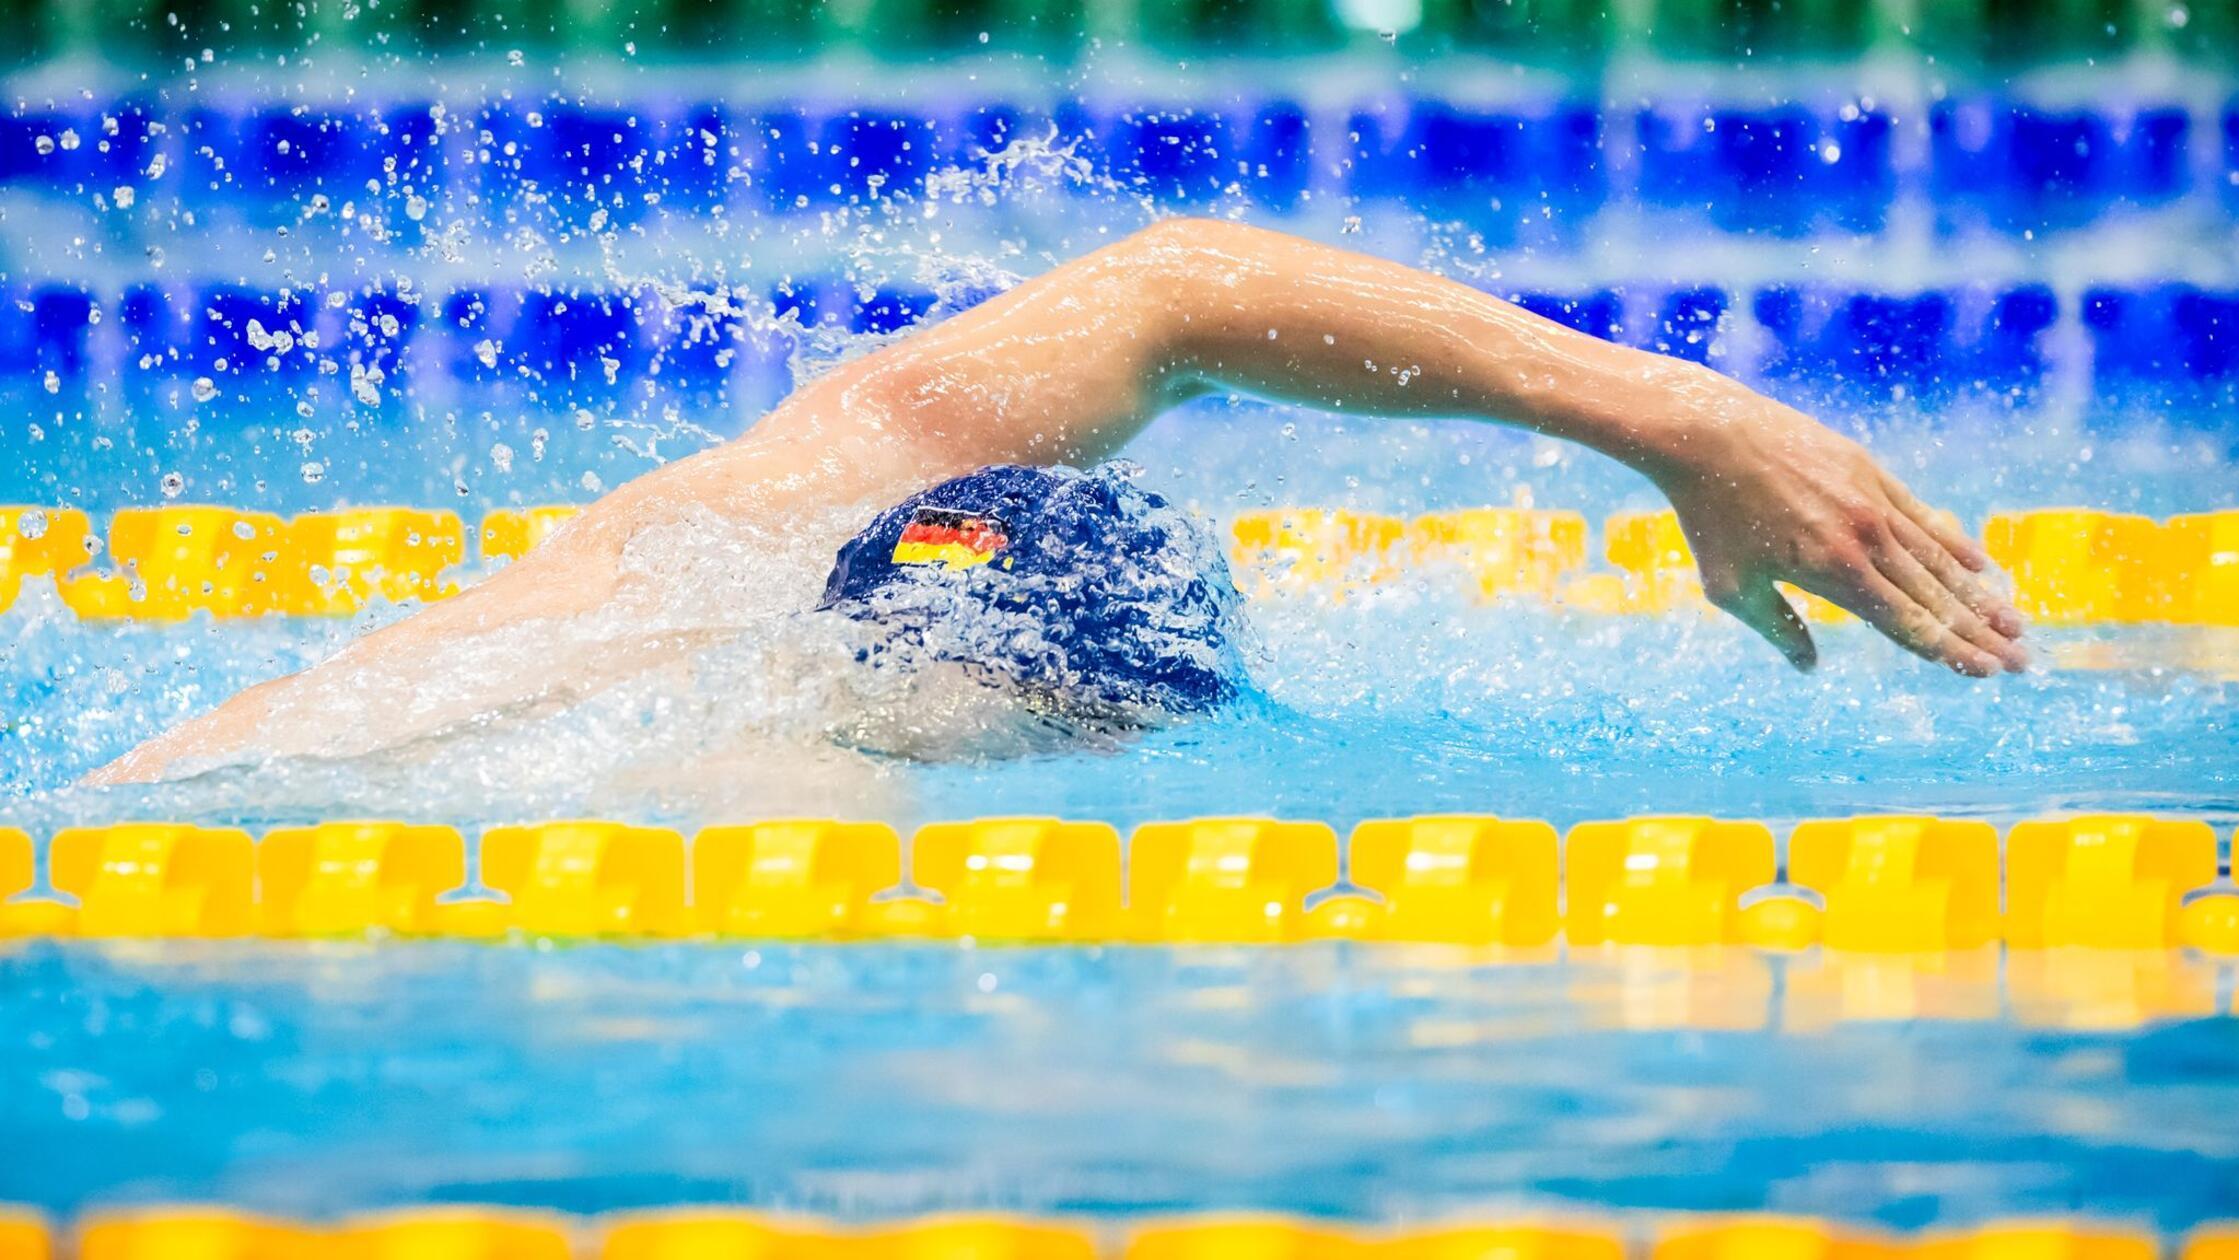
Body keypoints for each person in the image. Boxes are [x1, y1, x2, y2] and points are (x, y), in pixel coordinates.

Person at [87, 219, 2025, 787]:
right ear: (1082, 727)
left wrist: (1674, 422)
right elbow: (1177, 295)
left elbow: (1166, 295)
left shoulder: (678, 579)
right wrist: (1681, 423)